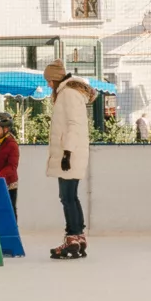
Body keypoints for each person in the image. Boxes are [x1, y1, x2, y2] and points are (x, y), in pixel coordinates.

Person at [45, 60, 94, 259]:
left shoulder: (68, 94)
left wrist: (67, 152)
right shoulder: (69, 93)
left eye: (50, 80)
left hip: (70, 154)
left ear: (57, 79)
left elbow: (74, 124)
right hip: (72, 152)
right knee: (71, 196)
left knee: (67, 197)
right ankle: (78, 237)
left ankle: (72, 237)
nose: (49, 84)